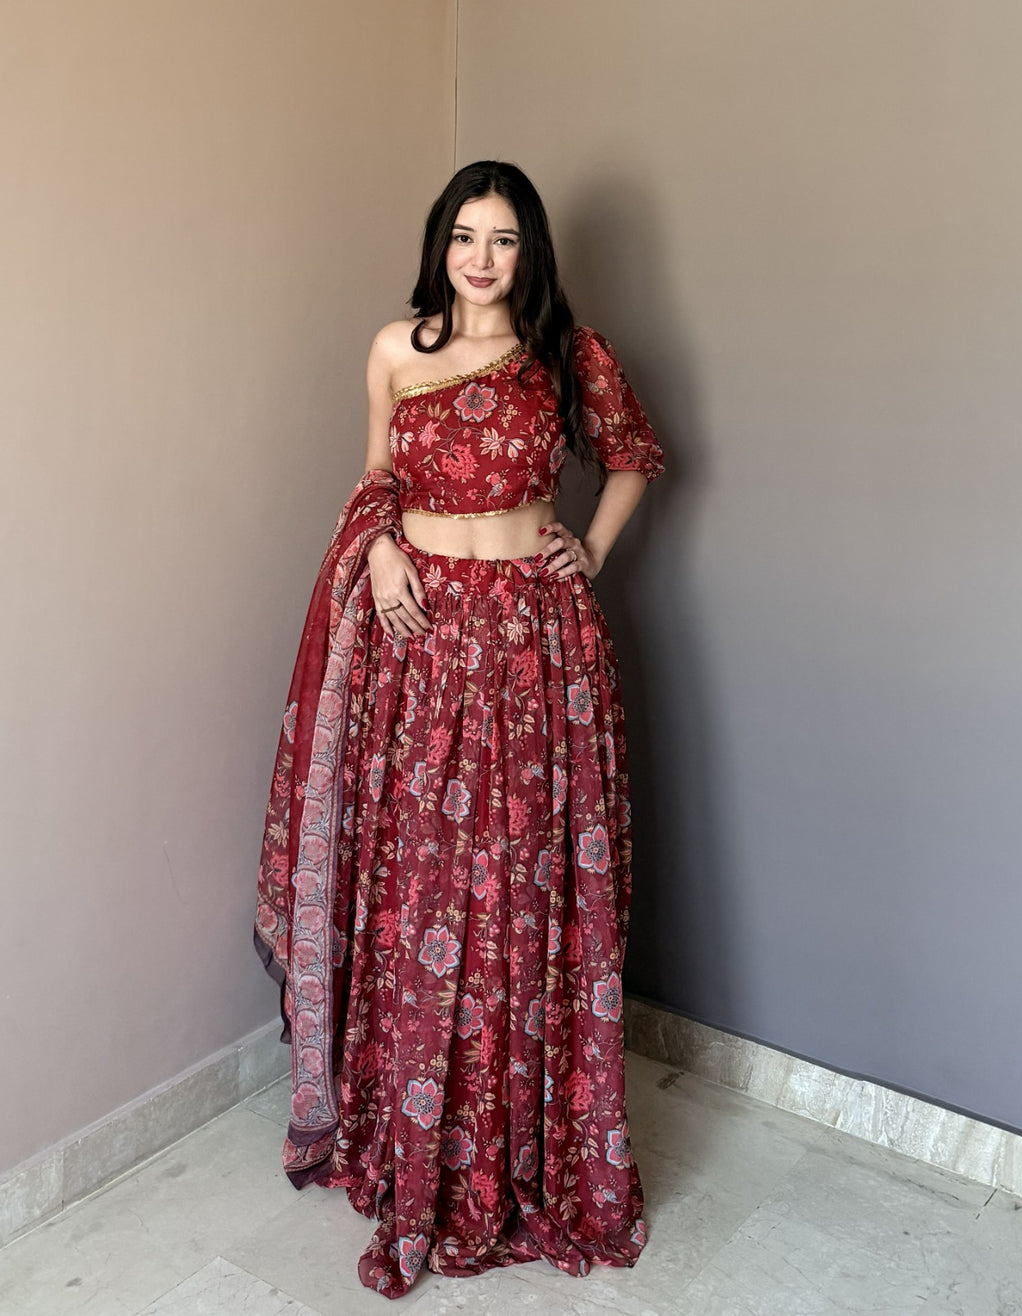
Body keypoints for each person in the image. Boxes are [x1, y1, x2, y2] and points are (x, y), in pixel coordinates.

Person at [255, 160, 665, 1300]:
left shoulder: (568, 353)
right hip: (423, 639)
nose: (482, 259)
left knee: (526, 885)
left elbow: (634, 459)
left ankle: (518, 1147)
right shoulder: (397, 348)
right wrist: (380, 547)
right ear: (440, 243)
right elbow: (375, 475)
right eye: (465, 237)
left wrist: (591, 548)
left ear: (530, 252)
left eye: (504, 239)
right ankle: (416, 1139)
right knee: (426, 887)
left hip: (539, 646)